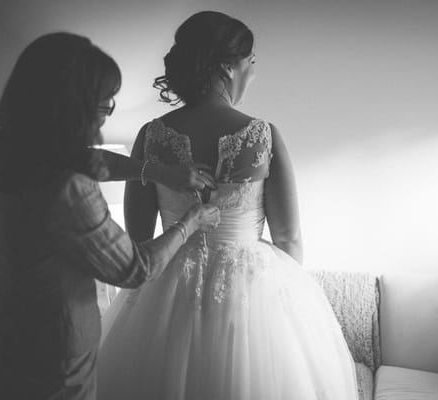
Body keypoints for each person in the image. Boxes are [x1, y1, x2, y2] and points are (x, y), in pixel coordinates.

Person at [97, 11, 359, 400]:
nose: (253, 71)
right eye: (251, 61)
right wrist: (285, 305)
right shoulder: (263, 135)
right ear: (227, 66)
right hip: (250, 296)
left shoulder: (151, 137)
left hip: (164, 292)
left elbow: (138, 237)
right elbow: (288, 238)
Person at [0, 32, 220, 400]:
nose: (103, 120)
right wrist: (191, 221)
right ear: (73, 108)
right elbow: (134, 269)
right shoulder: (69, 187)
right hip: (56, 348)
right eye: (103, 107)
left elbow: (91, 158)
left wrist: (157, 172)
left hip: (1, 328)